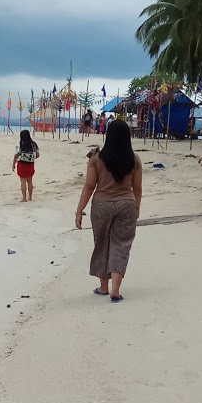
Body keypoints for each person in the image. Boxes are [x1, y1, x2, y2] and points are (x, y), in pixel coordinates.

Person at [74, 119, 141, 302]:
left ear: (108, 136)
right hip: (126, 204)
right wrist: (137, 208)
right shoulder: (134, 159)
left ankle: (103, 287)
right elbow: (137, 188)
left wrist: (79, 211)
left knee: (101, 243)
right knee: (121, 245)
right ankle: (116, 290)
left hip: (101, 205)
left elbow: (89, 186)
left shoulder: (96, 158)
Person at [12, 129, 40, 201]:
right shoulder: (33, 144)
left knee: (23, 182)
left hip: (22, 164)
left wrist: (13, 164)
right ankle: (30, 197)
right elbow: (37, 155)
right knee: (30, 181)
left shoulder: (20, 144)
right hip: (30, 164)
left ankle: (24, 198)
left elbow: (16, 155)